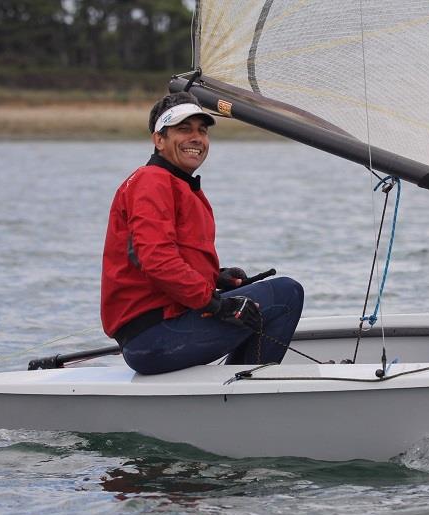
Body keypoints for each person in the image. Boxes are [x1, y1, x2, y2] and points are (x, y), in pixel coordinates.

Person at [100, 92, 304, 375]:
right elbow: (156, 259)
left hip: (161, 330)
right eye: (184, 129)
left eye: (202, 131)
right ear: (158, 139)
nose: (196, 138)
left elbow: (151, 256)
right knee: (286, 294)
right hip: (153, 339)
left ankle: (239, 389)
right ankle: (244, 396)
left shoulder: (174, 183)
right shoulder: (152, 181)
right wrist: (217, 304)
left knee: (264, 299)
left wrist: (216, 277)